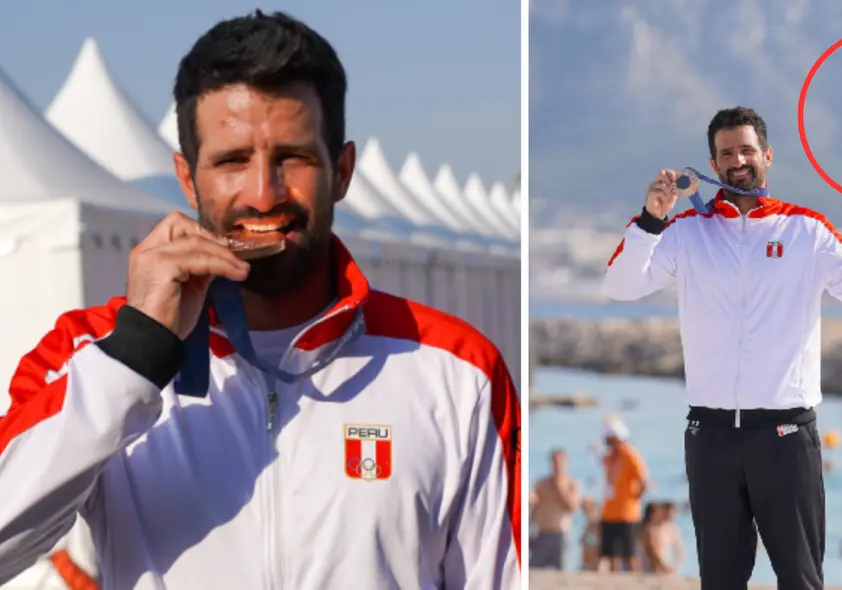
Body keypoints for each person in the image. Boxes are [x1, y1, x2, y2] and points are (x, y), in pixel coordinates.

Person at [0, 11, 520, 589]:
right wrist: (139, 353)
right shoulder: (91, 354)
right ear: (187, 179)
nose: (264, 194)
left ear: (342, 172)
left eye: (293, 158)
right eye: (231, 161)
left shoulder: (456, 368)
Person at [602, 106, 842, 590]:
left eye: (747, 149)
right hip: (710, 438)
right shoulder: (686, 232)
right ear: (712, 162)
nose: (737, 160)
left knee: (800, 580)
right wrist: (651, 218)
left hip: (786, 437)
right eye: (726, 153)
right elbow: (621, 286)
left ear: (767, 155)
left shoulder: (806, 230)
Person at [598, 418, 649, 573]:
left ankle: (635, 581)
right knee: (611, 553)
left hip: (627, 513)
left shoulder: (630, 455)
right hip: (610, 511)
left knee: (629, 552)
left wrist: (635, 499)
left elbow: (644, 480)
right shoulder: (611, 457)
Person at [529, 448, 581, 570]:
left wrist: (560, 487)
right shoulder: (541, 483)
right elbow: (535, 508)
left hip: (560, 534)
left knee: (561, 571)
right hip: (542, 533)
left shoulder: (572, 483)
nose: (557, 465)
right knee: (533, 570)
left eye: (560, 462)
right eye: (554, 462)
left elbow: (571, 507)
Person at [639, 501, 684, 575]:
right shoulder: (650, 529)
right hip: (650, 569)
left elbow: (680, 550)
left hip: (663, 566)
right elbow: (652, 552)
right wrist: (667, 568)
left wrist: (675, 566)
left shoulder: (672, 529)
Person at [578, 497, 602, 571]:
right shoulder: (588, 522)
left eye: (585, 506)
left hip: (595, 565)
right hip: (586, 564)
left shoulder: (597, 522)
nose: (583, 508)